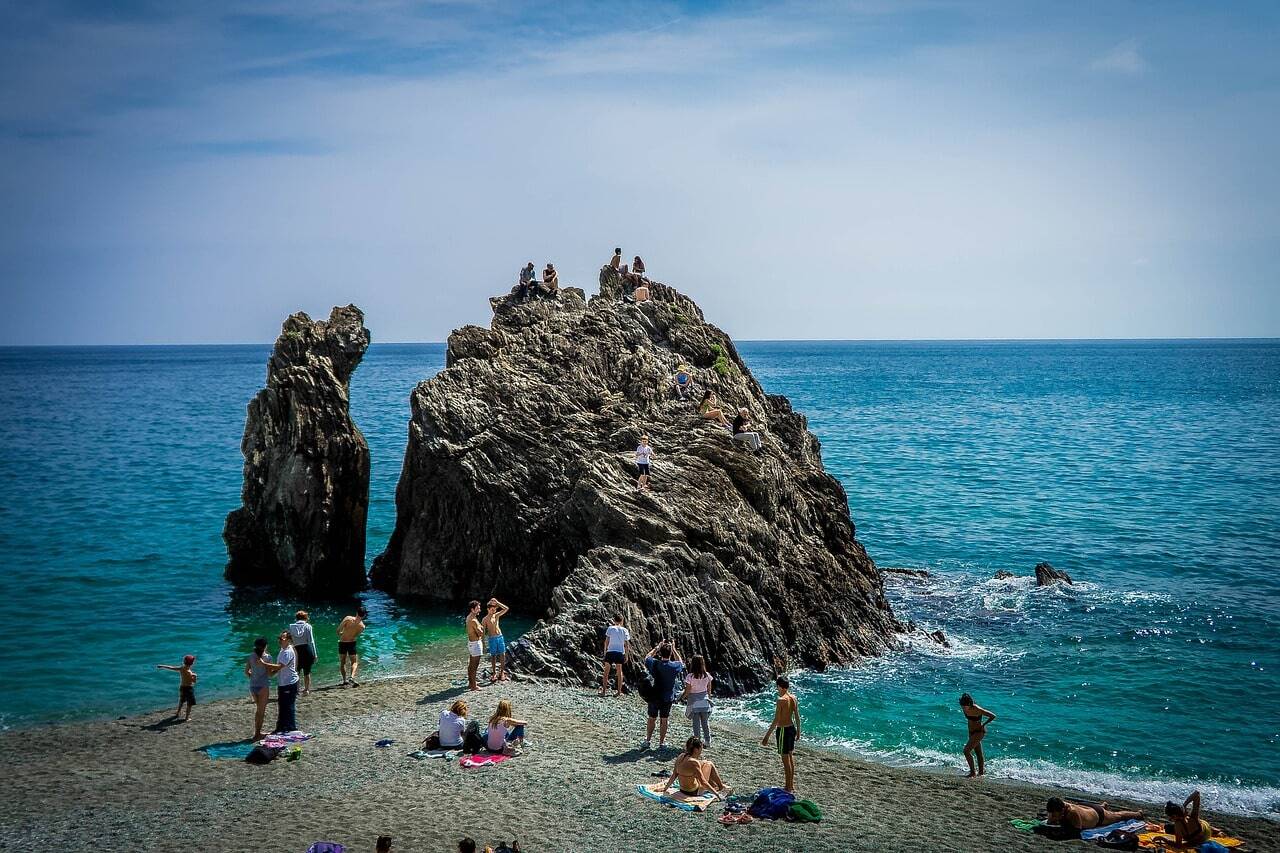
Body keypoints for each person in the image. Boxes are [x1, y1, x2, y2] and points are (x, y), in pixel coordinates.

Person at [761, 675, 801, 792]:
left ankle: (788, 787)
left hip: (783, 730)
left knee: (785, 760)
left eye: (778, 687)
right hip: (791, 729)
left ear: (780, 687)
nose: (777, 689)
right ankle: (791, 784)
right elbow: (797, 716)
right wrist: (798, 731)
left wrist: (766, 736)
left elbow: (776, 720)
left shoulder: (781, 700)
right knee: (790, 757)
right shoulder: (793, 698)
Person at [658, 736, 729, 799]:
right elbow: (703, 782)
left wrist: (665, 789)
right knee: (709, 764)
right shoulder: (694, 762)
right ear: (696, 749)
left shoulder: (681, 756)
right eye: (701, 748)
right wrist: (717, 795)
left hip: (682, 789)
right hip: (694, 792)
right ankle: (721, 787)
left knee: (704, 762)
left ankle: (715, 785)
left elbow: (674, 775)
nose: (702, 750)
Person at [643, 641, 684, 750]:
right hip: (668, 696)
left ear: (660, 654)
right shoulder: (674, 666)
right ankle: (661, 743)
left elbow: (647, 657)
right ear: (670, 654)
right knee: (664, 720)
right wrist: (674, 649)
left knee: (652, 718)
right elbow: (680, 662)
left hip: (655, 695)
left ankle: (648, 740)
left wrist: (657, 647)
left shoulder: (655, 664)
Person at [1046, 797, 1144, 834]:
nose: (1053, 817)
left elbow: (1076, 830)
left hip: (1098, 816)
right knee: (1093, 810)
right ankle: (1103, 806)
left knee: (1118, 816)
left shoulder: (1073, 813)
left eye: (1055, 815)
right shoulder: (1057, 806)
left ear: (1062, 810)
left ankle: (1138, 814)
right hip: (1086, 808)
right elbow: (1050, 821)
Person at [270, 630, 300, 734]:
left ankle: (291, 727)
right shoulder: (283, 650)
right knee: (282, 705)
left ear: (288, 640)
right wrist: (270, 673)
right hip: (283, 683)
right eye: (279, 638)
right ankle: (281, 727)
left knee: (288, 706)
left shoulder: (288, 651)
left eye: (281, 639)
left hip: (290, 683)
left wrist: (264, 664)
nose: (279, 640)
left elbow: (279, 666)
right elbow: (279, 668)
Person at [959, 693, 996, 777]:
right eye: (962, 706)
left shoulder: (977, 708)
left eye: (964, 706)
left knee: (966, 751)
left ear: (969, 704)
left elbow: (993, 716)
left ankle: (972, 773)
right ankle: (981, 773)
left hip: (979, 732)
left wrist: (983, 724)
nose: (963, 708)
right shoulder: (964, 708)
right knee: (978, 752)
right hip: (971, 732)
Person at [681, 655, 714, 747]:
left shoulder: (690, 677)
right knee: (705, 723)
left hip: (694, 702)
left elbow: (687, 691)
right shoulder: (707, 675)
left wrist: (682, 697)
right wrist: (709, 699)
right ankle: (707, 741)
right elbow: (709, 690)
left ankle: (697, 742)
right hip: (704, 701)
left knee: (696, 724)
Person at [245, 637, 272, 740]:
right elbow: (269, 674)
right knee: (261, 712)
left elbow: (246, 671)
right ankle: (257, 734)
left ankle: (257, 732)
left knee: (258, 711)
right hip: (263, 687)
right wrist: (278, 669)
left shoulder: (251, 656)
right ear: (265, 646)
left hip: (253, 686)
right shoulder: (268, 657)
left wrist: (253, 677)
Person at [155, 655, 198, 721]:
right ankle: (186, 718)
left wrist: (162, 666)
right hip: (188, 689)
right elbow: (194, 682)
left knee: (181, 700)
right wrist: (195, 676)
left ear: (184, 661)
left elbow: (171, 668)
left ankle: (178, 713)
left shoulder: (182, 668)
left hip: (182, 687)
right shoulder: (189, 672)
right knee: (189, 704)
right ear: (192, 663)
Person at [288, 610, 318, 696]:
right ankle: (306, 689)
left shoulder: (291, 626)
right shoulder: (308, 626)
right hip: (306, 649)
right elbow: (311, 641)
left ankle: (296, 690)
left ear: (296, 618)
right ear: (305, 618)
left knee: (296, 671)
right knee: (307, 671)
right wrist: (315, 654)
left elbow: (290, 641)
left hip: (296, 650)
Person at [599, 614, 629, 697]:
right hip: (620, 652)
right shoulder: (625, 630)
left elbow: (606, 641)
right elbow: (626, 644)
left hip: (610, 651)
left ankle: (604, 692)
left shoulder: (610, 628)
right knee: (619, 672)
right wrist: (626, 655)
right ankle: (619, 692)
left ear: (614, 620)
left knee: (606, 671)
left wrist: (605, 652)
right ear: (622, 620)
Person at [338, 606, 366, 687]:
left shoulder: (348, 618)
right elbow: (355, 635)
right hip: (352, 643)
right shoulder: (362, 626)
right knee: (354, 662)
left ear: (356, 612)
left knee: (342, 662)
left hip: (342, 642)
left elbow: (338, 630)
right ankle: (352, 677)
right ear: (364, 616)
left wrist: (342, 634)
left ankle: (344, 680)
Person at [484, 598, 510, 683]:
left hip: (500, 637)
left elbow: (506, 608)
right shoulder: (485, 619)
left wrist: (497, 602)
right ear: (488, 609)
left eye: (495, 609)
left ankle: (502, 672)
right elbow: (483, 632)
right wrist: (483, 643)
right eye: (492, 609)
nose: (493, 611)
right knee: (493, 656)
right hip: (492, 638)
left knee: (502, 654)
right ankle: (494, 673)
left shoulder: (497, 615)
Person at [466, 600, 484, 691]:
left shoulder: (469, 617)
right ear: (472, 609)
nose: (479, 610)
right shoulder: (473, 620)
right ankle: (474, 686)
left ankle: (471, 683)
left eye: (479, 608)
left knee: (471, 665)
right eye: (477, 608)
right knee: (474, 666)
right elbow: (480, 633)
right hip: (475, 644)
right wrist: (481, 628)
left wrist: (480, 627)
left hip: (471, 643)